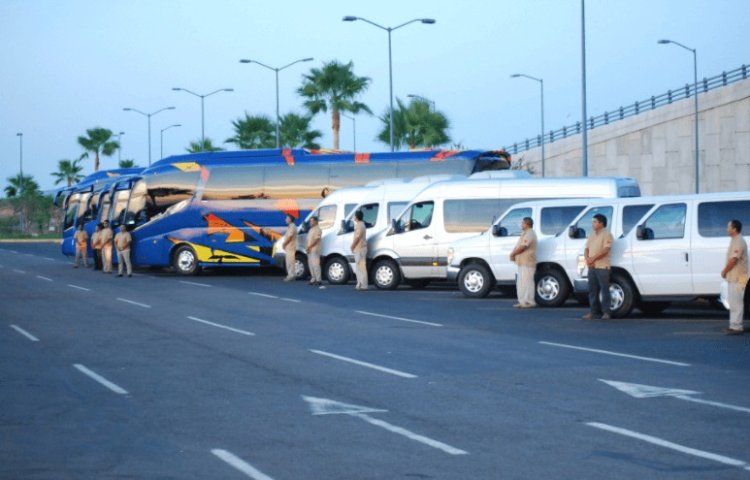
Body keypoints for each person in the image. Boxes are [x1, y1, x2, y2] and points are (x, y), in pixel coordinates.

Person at [583, 213, 614, 320]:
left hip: (602, 267)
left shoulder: (607, 234)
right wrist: (587, 258)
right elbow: (586, 248)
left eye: (595, 222)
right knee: (592, 290)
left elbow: (606, 250)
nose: (593, 224)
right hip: (592, 267)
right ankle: (593, 312)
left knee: (604, 290)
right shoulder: (592, 234)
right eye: (593, 222)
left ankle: (606, 312)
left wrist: (593, 258)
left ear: (601, 223)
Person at [721, 219, 748, 335]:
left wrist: (724, 271)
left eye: (729, 227)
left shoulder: (739, 241)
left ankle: (737, 327)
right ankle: (733, 325)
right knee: (733, 302)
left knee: (737, 302)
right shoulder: (734, 240)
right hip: (734, 277)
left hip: (739, 277)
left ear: (734, 229)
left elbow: (734, 260)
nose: (727, 229)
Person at [510, 217, 537, 308]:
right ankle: (522, 302)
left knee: (527, 282)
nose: (521, 225)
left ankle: (529, 302)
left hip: (527, 262)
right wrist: (514, 255)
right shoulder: (524, 233)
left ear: (527, 224)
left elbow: (523, 247)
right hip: (522, 262)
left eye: (522, 223)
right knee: (521, 283)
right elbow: (519, 245)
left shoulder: (530, 233)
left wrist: (513, 254)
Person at [351, 210, 368, 290]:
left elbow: (358, 237)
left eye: (355, 215)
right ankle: (359, 284)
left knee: (361, 267)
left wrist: (352, 246)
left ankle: (363, 285)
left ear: (357, 217)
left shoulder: (360, 225)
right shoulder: (359, 224)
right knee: (359, 267)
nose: (354, 217)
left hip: (360, 249)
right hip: (359, 249)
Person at [306, 216, 323, 287]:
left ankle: (318, 279)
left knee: (316, 265)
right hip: (310, 250)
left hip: (315, 249)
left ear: (316, 221)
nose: (310, 222)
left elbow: (317, 240)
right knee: (311, 265)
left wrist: (309, 247)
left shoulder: (318, 229)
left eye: (312, 221)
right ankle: (313, 278)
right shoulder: (311, 229)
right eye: (310, 221)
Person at [282, 214, 298, 282]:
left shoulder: (292, 227)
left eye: (286, 218)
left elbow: (290, 237)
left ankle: (291, 276)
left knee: (290, 262)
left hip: (290, 246)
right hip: (289, 246)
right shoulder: (290, 226)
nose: (285, 220)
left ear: (290, 219)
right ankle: (291, 275)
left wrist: (284, 244)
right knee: (289, 261)